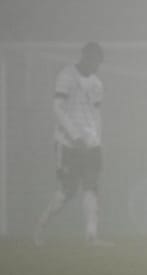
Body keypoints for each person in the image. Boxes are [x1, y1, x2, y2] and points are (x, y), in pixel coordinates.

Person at [34, 42, 112, 247]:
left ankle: (91, 236)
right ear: (85, 57)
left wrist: (97, 139)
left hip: (91, 144)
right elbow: (57, 108)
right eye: (94, 60)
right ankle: (41, 226)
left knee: (91, 187)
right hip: (68, 143)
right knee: (66, 192)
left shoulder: (97, 84)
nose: (97, 65)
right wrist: (74, 135)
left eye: (99, 62)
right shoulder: (67, 76)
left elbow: (96, 114)